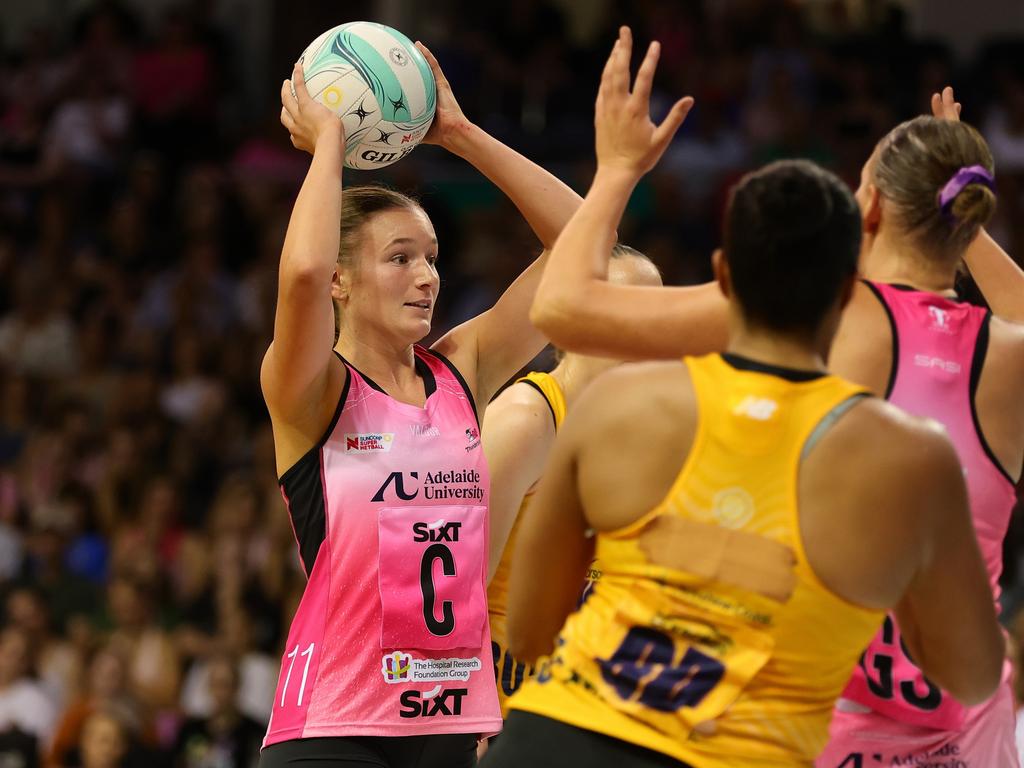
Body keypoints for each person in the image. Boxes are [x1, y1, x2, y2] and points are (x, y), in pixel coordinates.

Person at [480, 28, 1004, 768]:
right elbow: (973, 674)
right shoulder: (916, 451)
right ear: (840, 294)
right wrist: (953, 214)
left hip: (551, 736)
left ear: (724, 276)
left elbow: (530, 634)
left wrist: (617, 170)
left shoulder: (619, 407)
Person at [257, 39, 583, 768]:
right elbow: (304, 271)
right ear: (344, 283)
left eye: (432, 257)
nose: (427, 276)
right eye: (400, 257)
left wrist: (462, 136)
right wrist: (329, 144)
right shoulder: (312, 390)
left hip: (449, 720)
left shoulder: (461, 372)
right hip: (333, 726)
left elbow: (585, 242)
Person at [483, 246, 662, 718]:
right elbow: (460, 591)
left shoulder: (638, 434)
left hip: (578, 713)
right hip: (500, 713)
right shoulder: (527, 420)